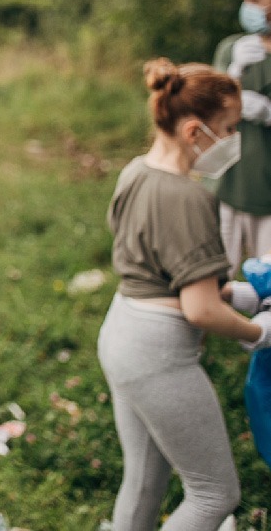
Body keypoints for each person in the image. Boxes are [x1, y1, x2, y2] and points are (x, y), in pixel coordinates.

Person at [98, 58, 271, 531]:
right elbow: (199, 308)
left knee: (144, 478)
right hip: (157, 355)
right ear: (195, 131)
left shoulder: (136, 172)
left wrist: (232, 293)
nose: (235, 139)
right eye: (230, 128)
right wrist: (258, 331)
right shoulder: (188, 197)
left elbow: (159, 271)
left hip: (121, 331)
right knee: (215, 495)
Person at [212, 0, 271, 275]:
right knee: (219, 275)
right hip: (228, 185)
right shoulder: (233, 49)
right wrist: (233, 74)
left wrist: (268, 113)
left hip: (268, 194)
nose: (248, 7)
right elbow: (205, 110)